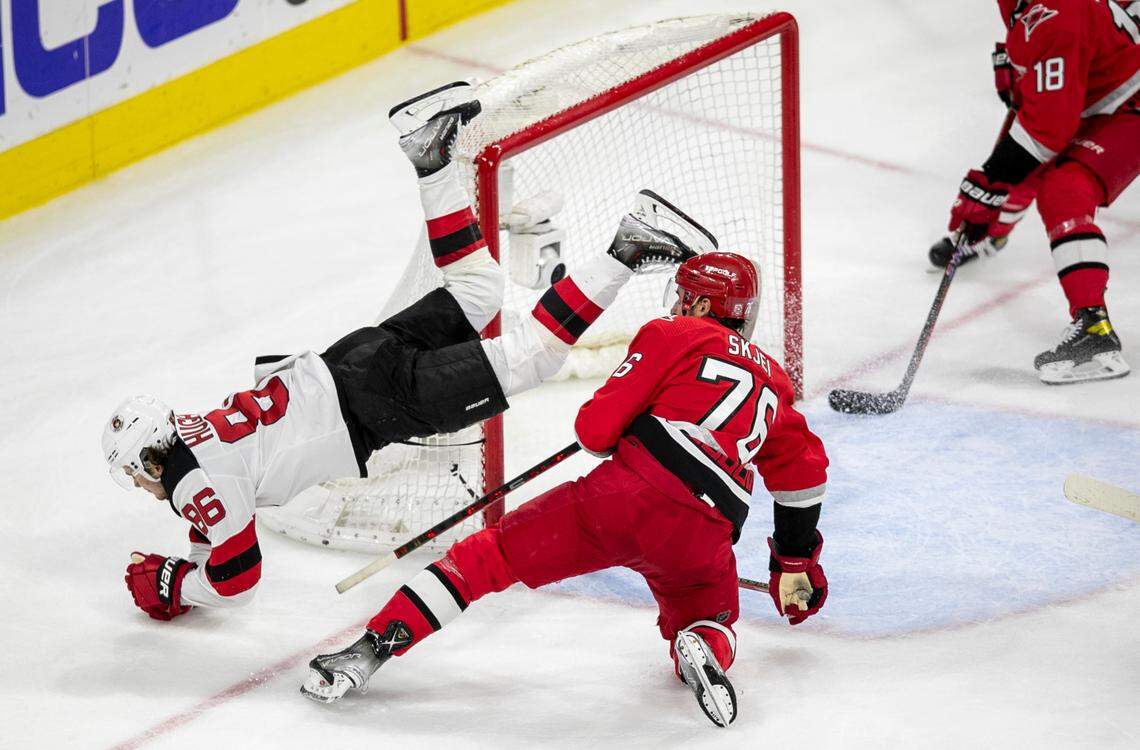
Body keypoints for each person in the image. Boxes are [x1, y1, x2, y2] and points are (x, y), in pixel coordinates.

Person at [103, 82, 697, 623]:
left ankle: (628, 245)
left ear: (151, 460)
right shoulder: (193, 442)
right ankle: (429, 154)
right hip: (348, 361)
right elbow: (217, 528)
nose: (140, 488)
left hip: (372, 404)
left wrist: (173, 584)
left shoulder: (189, 478)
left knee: (532, 357)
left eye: (135, 476)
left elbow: (238, 580)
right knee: (477, 289)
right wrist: (190, 563)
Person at [301, 250, 830, 728]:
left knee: (488, 557)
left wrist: (635, 424)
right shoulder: (776, 382)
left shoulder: (674, 334)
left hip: (625, 499)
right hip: (705, 535)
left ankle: (372, 649)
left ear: (694, 302)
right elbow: (802, 472)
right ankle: (703, 642)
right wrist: (794, 560)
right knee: (708, 615)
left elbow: (593, 430)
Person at [934, 0, 1139, 384]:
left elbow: (1046, 134)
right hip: (1102, 83)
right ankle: (993, 235)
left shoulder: (1057, 15)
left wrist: (988, 184)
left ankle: (1095, 334)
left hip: (1128, 99)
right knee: (1024, 148)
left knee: (1063, 187)